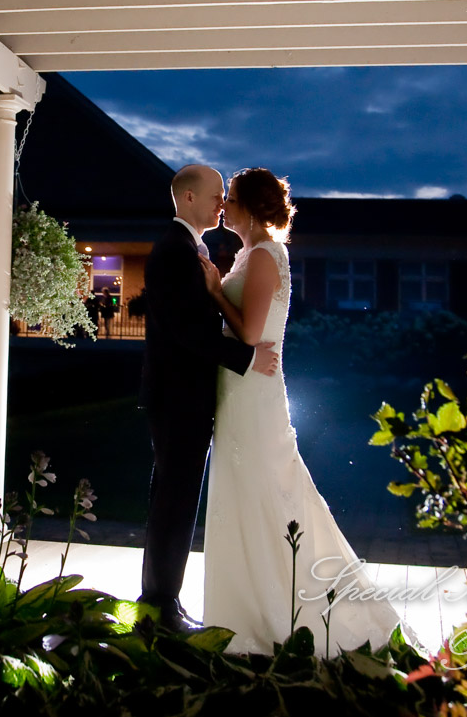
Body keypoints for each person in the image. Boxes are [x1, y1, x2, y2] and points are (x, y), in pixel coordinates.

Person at [200, 167, 406, 654]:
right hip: (241, 389)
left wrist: (213, 292)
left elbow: (249, 336)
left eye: (230, 197)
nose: (224, 205)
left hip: (253, 392)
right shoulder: (252, 254)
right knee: (246, 492)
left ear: (250, 206)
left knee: (267, 492)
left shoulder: (267, 255)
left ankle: (280, 609)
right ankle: (242, 605)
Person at [140, 164, 279, 633]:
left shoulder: (190, 248)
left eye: (227, 195)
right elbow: (183, 333)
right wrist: (244, 359)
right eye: (217, 194)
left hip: (186, 395)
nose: (223, 202)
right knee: (174, 503)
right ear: (189, 199)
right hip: (178, 397)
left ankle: (164, 600)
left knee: (174, 501)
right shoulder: (173, 251)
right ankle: (159, 606)